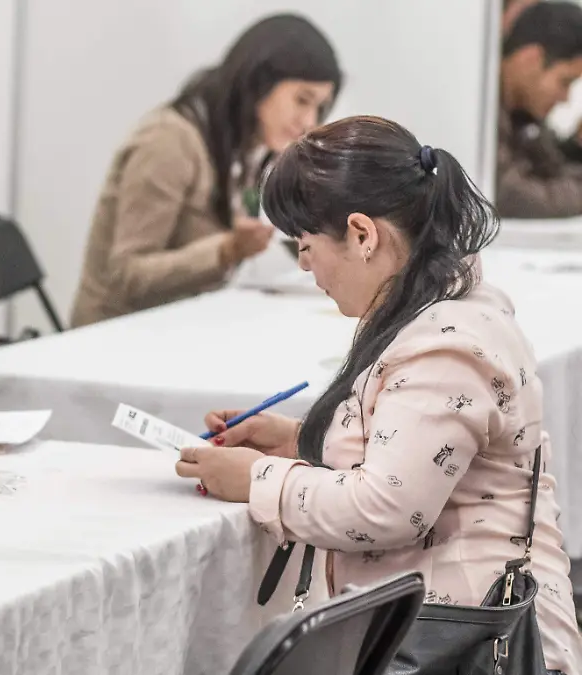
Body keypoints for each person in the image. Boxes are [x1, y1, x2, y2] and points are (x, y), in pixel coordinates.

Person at [174, 116, 581, 674]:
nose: (304, 264)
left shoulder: (446, 347)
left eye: (306, 243)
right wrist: (301, 440)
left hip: (472, 644)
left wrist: (255, 479)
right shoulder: (442, 308)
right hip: (456, 627)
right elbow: (414, 453)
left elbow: (386, 509)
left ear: (363, 235)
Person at [70, 13, 341, 328]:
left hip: (177, 329)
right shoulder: (168, 141)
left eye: (319, 107)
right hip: (112, 340)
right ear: (257, 83)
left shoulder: (245, 148)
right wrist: (226, 250)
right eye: (302, 100)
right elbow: (125, 276)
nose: (309, 121)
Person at [497, 1, 582, 218]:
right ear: (531, 59)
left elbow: (551, 171)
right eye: (565, 82)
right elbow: (509, 195)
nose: (565, 99)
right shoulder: (479, 116)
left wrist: (576, 145)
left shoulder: (523, 114)